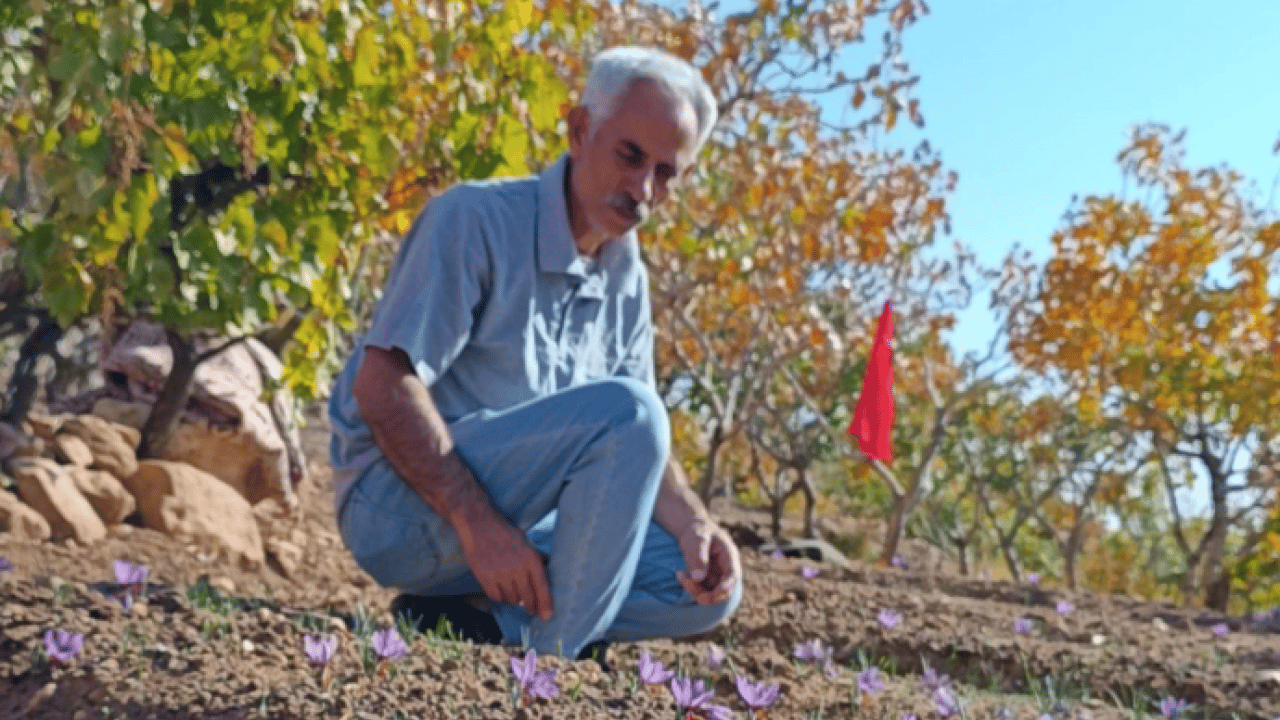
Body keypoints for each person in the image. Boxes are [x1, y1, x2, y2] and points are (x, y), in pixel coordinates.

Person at [328, 45, 743, 670]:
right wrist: (480, 526)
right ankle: (547, 667)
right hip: (400, 513)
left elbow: (641, 451)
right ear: (578, 131)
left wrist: (694, 525)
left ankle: (472, 618)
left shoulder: (627, 277)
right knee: (631, 413)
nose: (644, 188)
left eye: (666, 172)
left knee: (699, 590)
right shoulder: (475, 219)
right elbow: (382, 385)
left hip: (511, 525)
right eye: (630, 155)